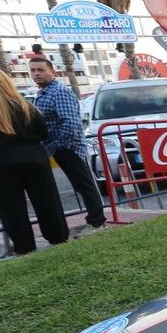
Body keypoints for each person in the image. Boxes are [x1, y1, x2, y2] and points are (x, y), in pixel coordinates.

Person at [0, 68, 68, 254]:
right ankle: (59, 240)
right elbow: (42, 131)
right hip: (33, 158)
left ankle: (25, 247)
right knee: (47, 202)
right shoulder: (24, 104)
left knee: (11, 208)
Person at [29, 56, 106, 232]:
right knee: (82, 185)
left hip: (67, 147)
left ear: (52, 72)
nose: (36, 74)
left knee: (84, 184)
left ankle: (97, 222)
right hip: (60, 146)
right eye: (33, 70)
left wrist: (55, 145)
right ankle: (95, 219)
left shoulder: (58, 92)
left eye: (41, 70)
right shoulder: (44, 92)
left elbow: (70, 123)